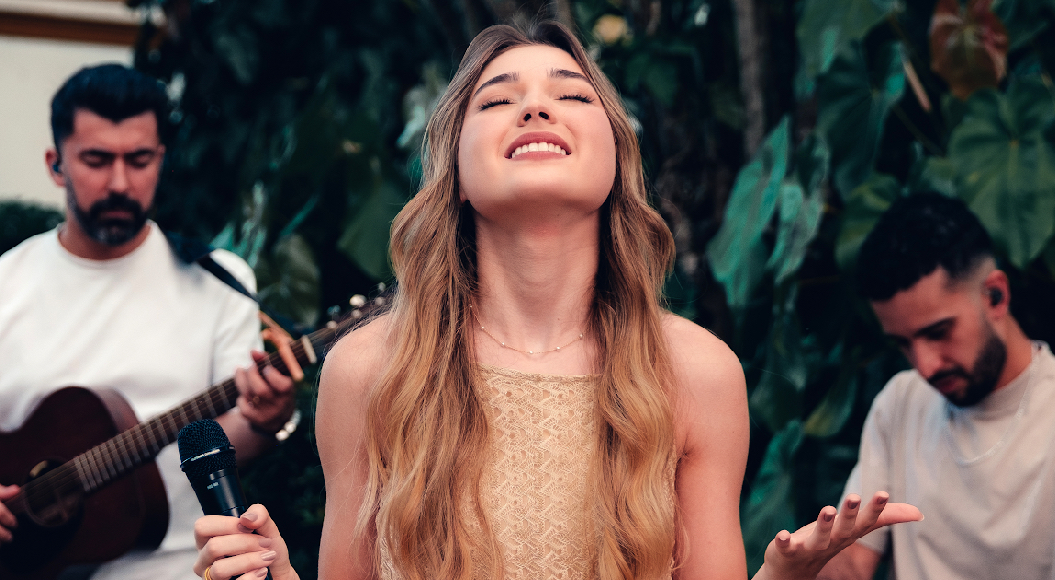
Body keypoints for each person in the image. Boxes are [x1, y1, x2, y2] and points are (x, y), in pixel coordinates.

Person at [192, 22, 920, 580]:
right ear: (455, 173)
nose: (536, 107)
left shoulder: (697, 372)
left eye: (571, 96)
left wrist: (779, 578)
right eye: (497, 100)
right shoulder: (369, 370)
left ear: (616, 159)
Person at [0, 64, 300, 580]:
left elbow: (234, 436)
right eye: (96, 160)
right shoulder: (7, 283)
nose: (120, 183)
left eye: (138, 160)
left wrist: (264, 417)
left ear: (161, 159)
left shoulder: (217, 281)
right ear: (56, 165)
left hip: (184, 569)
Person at [818, 192, 1055, 579]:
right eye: (903, 344)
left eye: (939, 332)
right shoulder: (901, 401)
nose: (925, 367)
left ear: (996, 296)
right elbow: (853, 565)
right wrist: (806, 564)